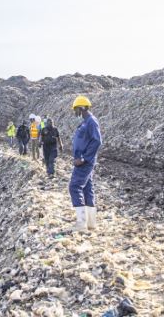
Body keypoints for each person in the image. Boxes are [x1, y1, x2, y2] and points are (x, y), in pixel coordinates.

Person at [69, 95, 102, 232]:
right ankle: (91, 223)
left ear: (82, 108)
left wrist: (83, 158)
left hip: (84, 162)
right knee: (87, 188)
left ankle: (81, 223)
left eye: (76, 109)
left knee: (74, 186)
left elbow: (97, 141)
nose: (75, 112)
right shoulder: (85, 122)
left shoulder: (91, 122)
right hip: (83, 161)